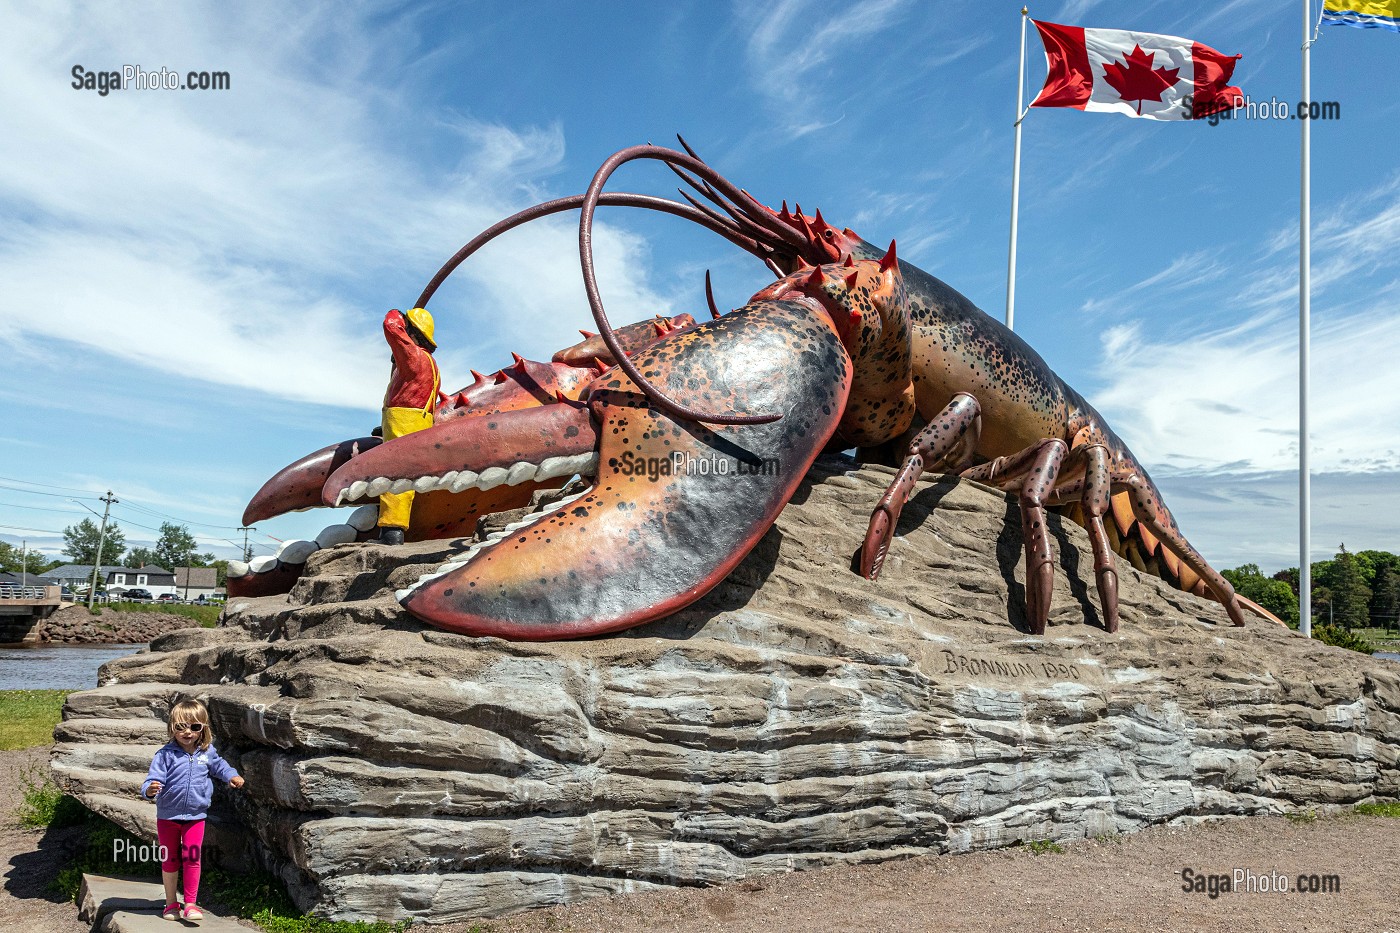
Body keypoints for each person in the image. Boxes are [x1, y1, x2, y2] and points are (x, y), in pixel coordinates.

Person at [142, 698, 245, 922]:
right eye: (181, 727)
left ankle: (190, 903)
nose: (187, 732)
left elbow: (221, 767)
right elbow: (150, 781)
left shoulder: (207, 753)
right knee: (170, 860)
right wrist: (150, 790)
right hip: (168, 816)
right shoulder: (165, 755)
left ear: (203, 729)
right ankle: (170, 904)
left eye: (195, 727)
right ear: (172, 728)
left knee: (192, 858)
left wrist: (232, 776)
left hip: (195, 816)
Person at [378, 307, 443, 545]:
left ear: (412, 333)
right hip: (417, 419)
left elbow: (391, 327)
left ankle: (392, 530)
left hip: (404, 418)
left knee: (393, 472)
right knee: (404, 472)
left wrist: (396, 315)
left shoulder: (414, 356)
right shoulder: (430, 363)